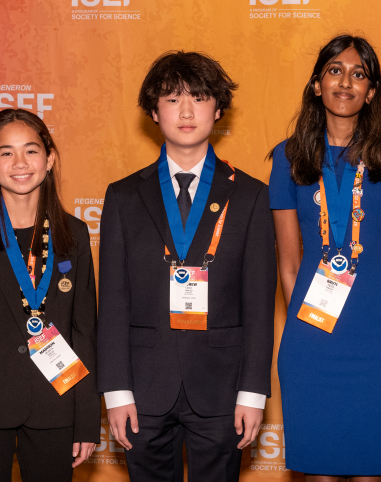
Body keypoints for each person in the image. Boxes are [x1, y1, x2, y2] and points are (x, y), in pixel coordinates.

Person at [97, 50, 276, 482]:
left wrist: (252, 393)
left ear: (218, 109)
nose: (187, 110)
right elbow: (114, 303)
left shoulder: (250, 195)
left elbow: (258, 304)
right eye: (173, 99)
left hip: (222, 388)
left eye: (198, 97)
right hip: (141, 389)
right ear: (154, 112)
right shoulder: (123, 197)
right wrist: (116, 392)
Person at [269, 34, 381, 480]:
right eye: (335, 70)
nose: (345, 82)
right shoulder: (288, 156)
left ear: (371, 92)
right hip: (312, 344)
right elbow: (290, 264)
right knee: (318, 472)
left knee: (373, 472)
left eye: (359, 74)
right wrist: (306, 327)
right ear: (317, 84)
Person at [0, 108, 99, 481]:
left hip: (58, 406)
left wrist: (87, 422)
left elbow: (85, 333)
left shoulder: (74, 234)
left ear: (50, 158)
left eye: (31, 150)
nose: (20, 163)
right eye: (6, 153)